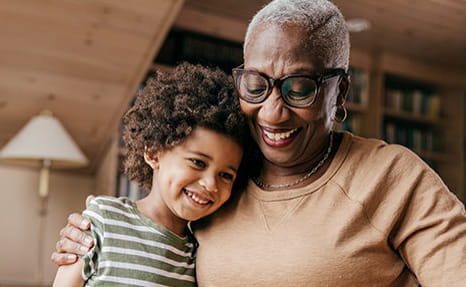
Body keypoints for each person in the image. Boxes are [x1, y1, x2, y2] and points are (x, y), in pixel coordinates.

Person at [52, 0, 466, 286]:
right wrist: (94, 240)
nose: (272, 112)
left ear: (340, 93)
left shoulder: (394, 176)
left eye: (299, 88)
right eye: (256, 85)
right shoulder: (223, 180)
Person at [52, 63, 249, 286]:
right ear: (154, 153)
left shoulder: (201, 252)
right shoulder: (104, 219)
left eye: (226, 175)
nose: (210, 184)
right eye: (197, 162)